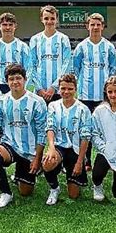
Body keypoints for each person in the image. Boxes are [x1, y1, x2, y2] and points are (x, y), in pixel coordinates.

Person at [0, 64, 47, 208]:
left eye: (18, 78)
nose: (15, 82)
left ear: (25, 79)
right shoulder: (1, 100)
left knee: (25, 192)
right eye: (11, 79)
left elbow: (42, 132)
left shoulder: (37, 102)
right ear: (7, 81)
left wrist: (37, 158)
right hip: (10, 145)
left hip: (29, 150)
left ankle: (22, 175)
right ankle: (6, 193)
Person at [72, 13, 116, 171]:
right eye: (92, 24)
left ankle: (108, 159)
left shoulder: (109, 47)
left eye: (98, 24)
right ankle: (86, 161)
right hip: (85, 96)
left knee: (105, 130)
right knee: (86, 130)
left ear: (103, 26)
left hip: (103, 98)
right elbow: (75, 71)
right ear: (87, 26)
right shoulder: (81, 47)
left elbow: (113, 70)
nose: (95, 27)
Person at [42, 74, 91, 205]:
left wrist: (80, 162)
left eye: (70, 89)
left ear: (75, 89)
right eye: (63, 88)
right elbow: (50, 127)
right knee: (47, 162)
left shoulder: (83, 109)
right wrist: (51, 148)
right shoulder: (53, 105)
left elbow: (85, 138)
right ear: (59, 89)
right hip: (59, 146)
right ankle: (54, 188)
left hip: (75, 149)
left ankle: (72, 175)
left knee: (73, 195)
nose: (66, 92)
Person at [29, 5, 72, 104]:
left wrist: (54, 87)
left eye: (52, 18)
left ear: (57, 19)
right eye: (46, 18)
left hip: (58, 91)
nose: (49, 21)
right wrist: (39, 88)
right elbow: (31, 66)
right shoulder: (35, 39)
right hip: (39, 91)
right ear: (41, 19)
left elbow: (67, 64)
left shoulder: (63, 39)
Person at [0, 12, 32, 101]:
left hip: (18, 85)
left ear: (15, 26)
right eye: (4, 25)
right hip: (1, 86)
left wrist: (23, 89)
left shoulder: (23, 47)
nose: (7, 28)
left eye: (10, 25)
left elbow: (29, 69)